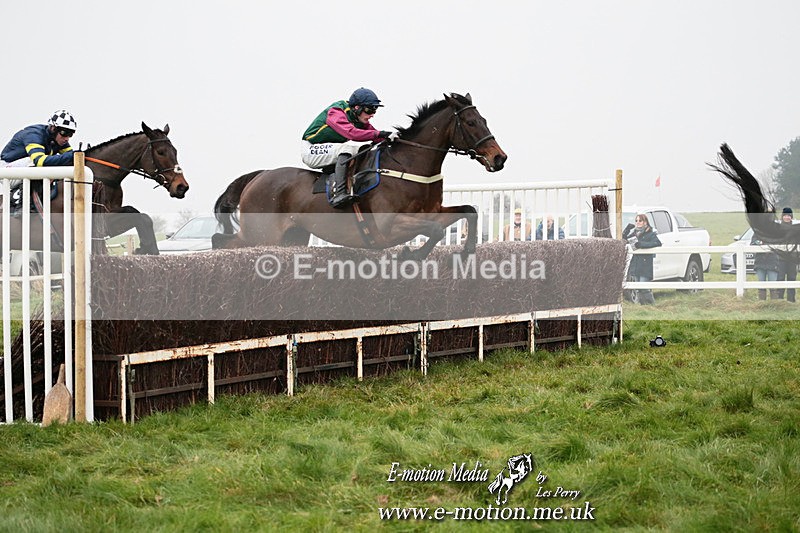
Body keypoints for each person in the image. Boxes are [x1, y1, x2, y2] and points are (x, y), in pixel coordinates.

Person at [301, 88, 392, 209]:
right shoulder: (336, 111)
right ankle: (339, 194)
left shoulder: (358, 118)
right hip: (311, 149)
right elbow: (351, 133)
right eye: (369, 110)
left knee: (362, 149)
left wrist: (393, 138)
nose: (372, 115)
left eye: (374, 110)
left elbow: (375, 135)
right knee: (347, 149)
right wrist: (379, 134)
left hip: (329, 149)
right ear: (357, 107)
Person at [2, 110, 77, 168]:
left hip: (22, 170)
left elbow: (71, 157)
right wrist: (71, 156)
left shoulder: (59, 139)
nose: (67, 138)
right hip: (5, 168)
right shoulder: (34, 135)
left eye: (70, 134)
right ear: (53, 129)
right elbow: (39, 161)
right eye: (64, 133)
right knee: (33, 161)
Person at [622, 213, 662, 305]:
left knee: (644, 287)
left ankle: (651, 304)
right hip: (636, 263)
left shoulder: (650, 233)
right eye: (636, 220)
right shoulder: (635, 233)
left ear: (645, 222)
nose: (638, 222)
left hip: (645, 264)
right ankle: (641, 305)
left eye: (640, 220)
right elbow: (625, 240)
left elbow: (657, 243)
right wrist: (626, 230)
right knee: (637, 287)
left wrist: (642, 244)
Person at [751, 225, 781, 301]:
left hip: (772, 261)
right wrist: (760, 243)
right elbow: (753, 243)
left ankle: (774, 303)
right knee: (761, 284)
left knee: (773, 284)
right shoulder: (757, 232)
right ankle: (762, 302)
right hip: (760, 261)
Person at [776, 207, 797, 302]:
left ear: (791, 217)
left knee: (792, 278)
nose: (787, 217)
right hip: (781, 258)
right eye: (785, 215)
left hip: (792, 258)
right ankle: (780, 299)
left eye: (789, 215)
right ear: (782, 217)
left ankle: (791, 300)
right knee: (780, 278)